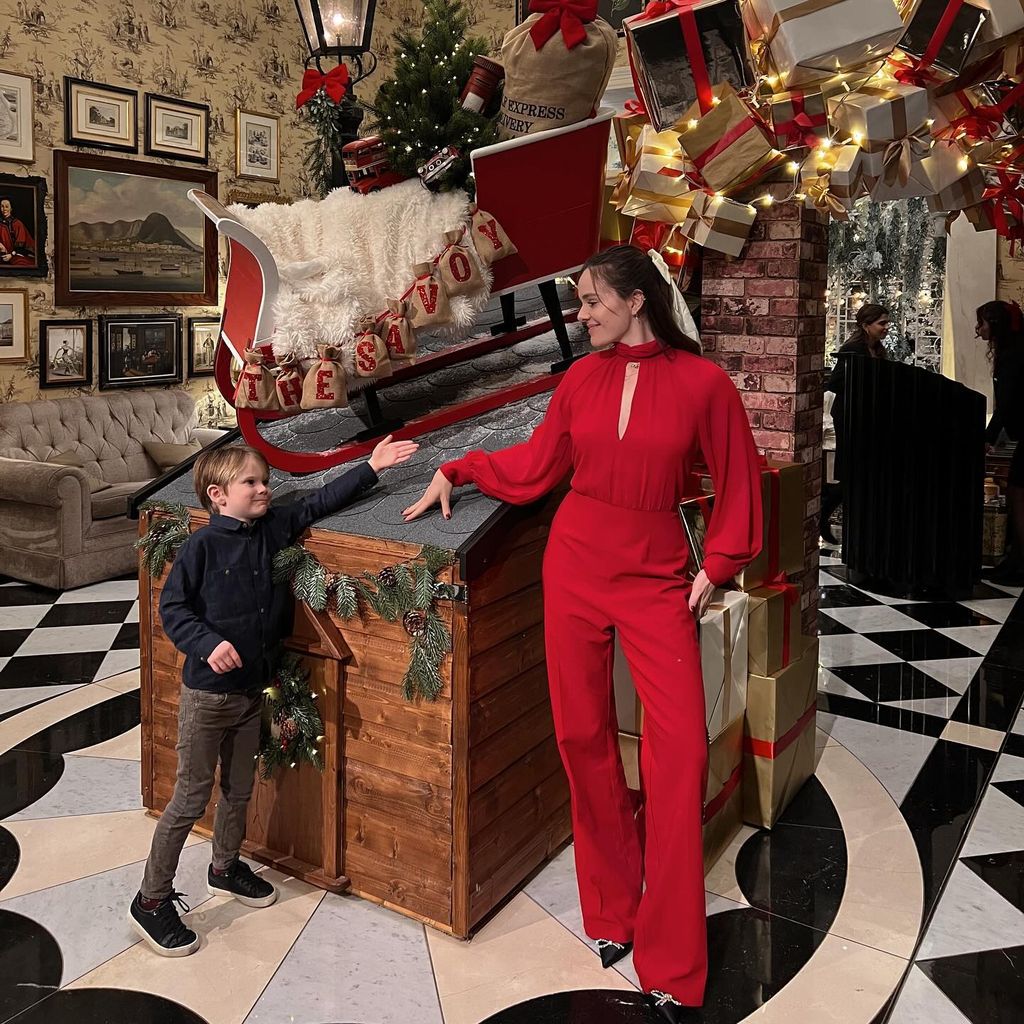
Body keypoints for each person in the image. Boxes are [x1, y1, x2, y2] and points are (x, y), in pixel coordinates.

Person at [403, 245, 762, 1021]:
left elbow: (738, 479)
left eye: (592, 300)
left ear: (637, 301)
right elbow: (536, 467)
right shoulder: (579, 378)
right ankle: (611, 912)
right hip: (573, 567)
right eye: (579, 302)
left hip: (659, 576)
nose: (582, 313)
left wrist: (718, 566)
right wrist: (460, 469)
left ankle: (670, 956)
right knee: (582, 738)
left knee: (680, 755)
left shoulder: (704, 382)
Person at [129, 436, 418, 957]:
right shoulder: (201, 547)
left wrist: (370, 468)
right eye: (252, 483)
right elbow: (174, 610)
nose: (265, 489)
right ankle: (150, 900)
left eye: (266, 481)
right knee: (191, 797)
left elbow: (319, 501)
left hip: (249, 694)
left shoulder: (274, 528)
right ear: (218, 495)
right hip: (208, 697)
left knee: (239, 788)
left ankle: (224, 866)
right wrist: (206, 643)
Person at [820, 303, 890, 545]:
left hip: (869, 419)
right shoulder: (852, 349)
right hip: (851, 417)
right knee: (853, 472)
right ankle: (827, 511)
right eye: (882, 323)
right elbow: (835, 383)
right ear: (865, 325)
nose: (886, 328)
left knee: (861, 473)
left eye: (887, 322)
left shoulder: (877, 350)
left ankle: (837, 516)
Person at [978, 300, 1024, 583]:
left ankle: (1020, 563)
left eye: (982, 323)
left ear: (995, 325)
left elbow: (1007, 404)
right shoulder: (1017, 350)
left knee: (1019, 495)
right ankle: (1016, 558)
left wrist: (988, 437)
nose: (978, 329)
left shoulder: (1013, 356)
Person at [0, 196, 35, 267]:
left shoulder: (18, 224)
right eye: (2, 206)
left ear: (11, 208)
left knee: (20, 264)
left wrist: (11, 254)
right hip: (2, 254)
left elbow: (22, 246)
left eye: (7, 206)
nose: (4, 209)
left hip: (17, 254)